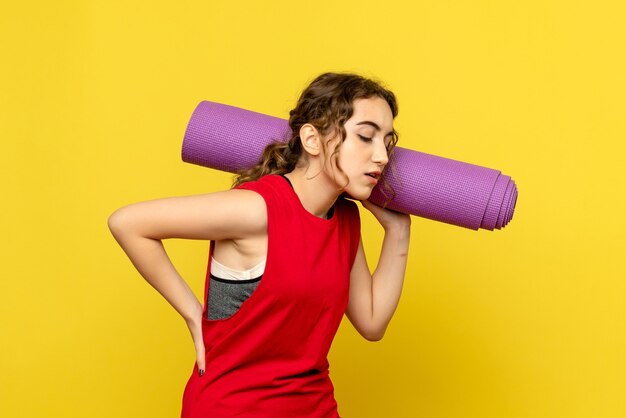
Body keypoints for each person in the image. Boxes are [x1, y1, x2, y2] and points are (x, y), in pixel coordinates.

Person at [108, 72, 412, 417]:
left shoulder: (344, 219)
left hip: (312, 407)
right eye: (366, 137)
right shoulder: (257, 208)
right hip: (234, 407)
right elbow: (128, 223)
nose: (382, 157)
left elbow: (371, 322)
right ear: (312, 139)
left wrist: (398, 232)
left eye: (386, 143)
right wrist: (193, 313)